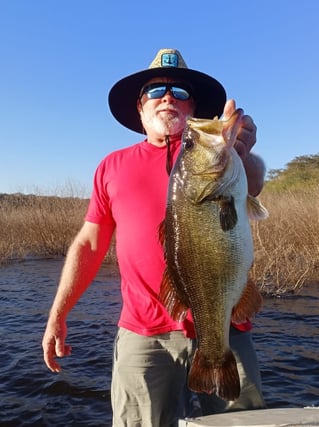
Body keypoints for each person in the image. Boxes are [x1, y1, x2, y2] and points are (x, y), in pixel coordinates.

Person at [42, 48, 266, 426]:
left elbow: (254, 182)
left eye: (180, 92)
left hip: (225, 326)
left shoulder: (220, 157)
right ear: (140, 108)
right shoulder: (111, 166)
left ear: (193, 107)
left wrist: (243, 154)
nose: (168, 97)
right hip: (144, 335)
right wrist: (58, 314)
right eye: (156, 91)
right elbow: (89, 243)